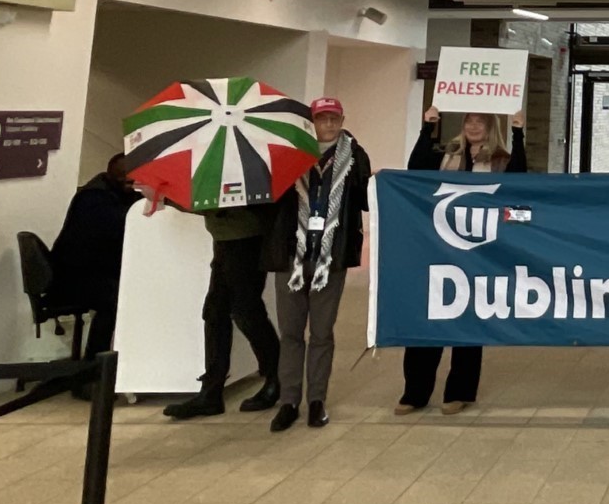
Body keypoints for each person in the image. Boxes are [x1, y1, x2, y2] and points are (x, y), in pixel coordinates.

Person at [395, 106, 525, 416]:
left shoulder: (500, 160)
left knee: (468, 319)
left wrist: (518, 133)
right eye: (469, 119)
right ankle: (415, 392)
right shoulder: (445, 154)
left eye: (481, 120)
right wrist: (428, 128)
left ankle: (460, 391)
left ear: (491, 125)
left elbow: (520, 182)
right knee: (428, 316)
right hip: (437, 248)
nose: (474, 125)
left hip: (477, 251)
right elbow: (415, 170)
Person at [263, 97, 373, 433]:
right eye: (322, 118)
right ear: (311, 121)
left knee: (322, 333)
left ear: (342, 119)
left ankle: (316, 400)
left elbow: (366, 201)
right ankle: (289, 400)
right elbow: (270, 195)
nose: (328, 124)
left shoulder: (354, 155)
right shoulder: (291, 154)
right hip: (291, 256)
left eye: (334, 118)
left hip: (331, 256)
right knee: (291, 332)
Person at [163, 199, 282, 420]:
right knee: (215, 312)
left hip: (245, 239)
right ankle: (211, 391)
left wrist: (174, 199)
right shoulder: (212, 167)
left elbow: (224, 204)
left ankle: (277, 376)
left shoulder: (236, 169)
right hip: (226, 239)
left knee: (246, 311)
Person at [49, 154, 142, 392]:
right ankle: (91, 374)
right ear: (115, 176)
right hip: (74, 279)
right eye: (128, 181)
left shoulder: (107, 193)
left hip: (90, 272)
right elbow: (119, 231)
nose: (132, 187)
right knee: (114, 302)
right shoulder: (95, 200)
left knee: (120, 295)